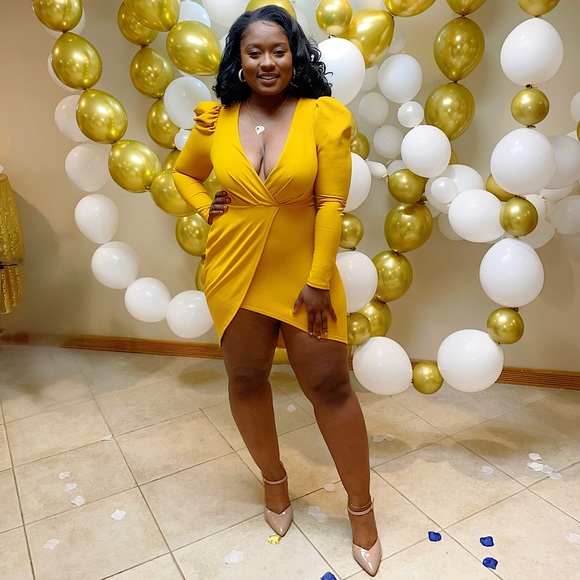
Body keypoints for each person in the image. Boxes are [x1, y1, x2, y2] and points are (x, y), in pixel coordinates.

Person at [173, 6, 381, 576]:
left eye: (278, 50)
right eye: (255, 52)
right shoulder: (216, 117)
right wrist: (206, 208)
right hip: (233, 268)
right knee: (245, 379)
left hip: (305, 275)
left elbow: (331, 204)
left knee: (330, 386)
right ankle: (273, 481)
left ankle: (360, 509)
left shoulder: (322, 116)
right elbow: (184, 174)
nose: (267, 62)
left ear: (295, 55)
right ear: (238, 60)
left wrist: (318, 282)